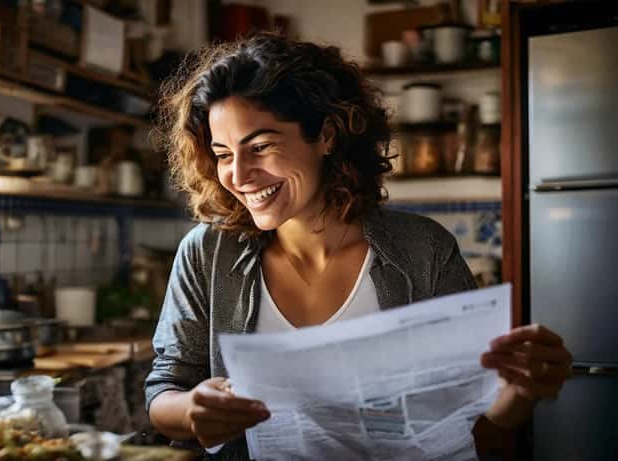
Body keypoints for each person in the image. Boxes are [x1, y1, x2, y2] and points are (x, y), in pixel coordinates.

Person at [144, 32, 572, 460]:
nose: (239, 175)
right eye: (223, 154)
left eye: (261, 146)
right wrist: (192, 410)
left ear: (326, 135)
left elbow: (489, 410)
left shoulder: (423, 248)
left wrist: (522, 387)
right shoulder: (207, 253)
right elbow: (165, 391)